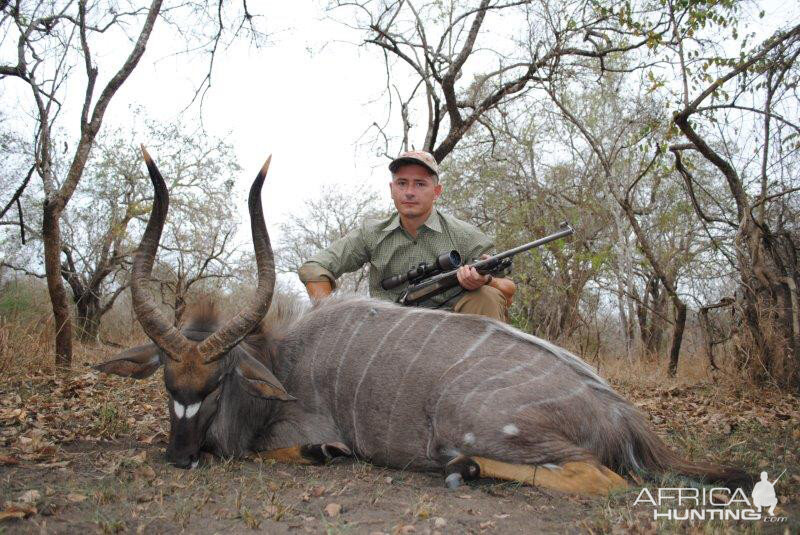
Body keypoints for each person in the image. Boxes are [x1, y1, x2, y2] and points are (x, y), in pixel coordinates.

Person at [298, 150, 515, 321]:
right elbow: (314, 268)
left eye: (420, 184)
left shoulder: (465, 235)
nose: (409, 192)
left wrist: (484, 280)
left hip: (451, 330)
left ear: (437, 191)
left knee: (486, 296)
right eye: (402, 183)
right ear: (392, 189)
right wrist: (330, 318)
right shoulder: (371, 233)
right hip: (388, 329)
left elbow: (508, 291)